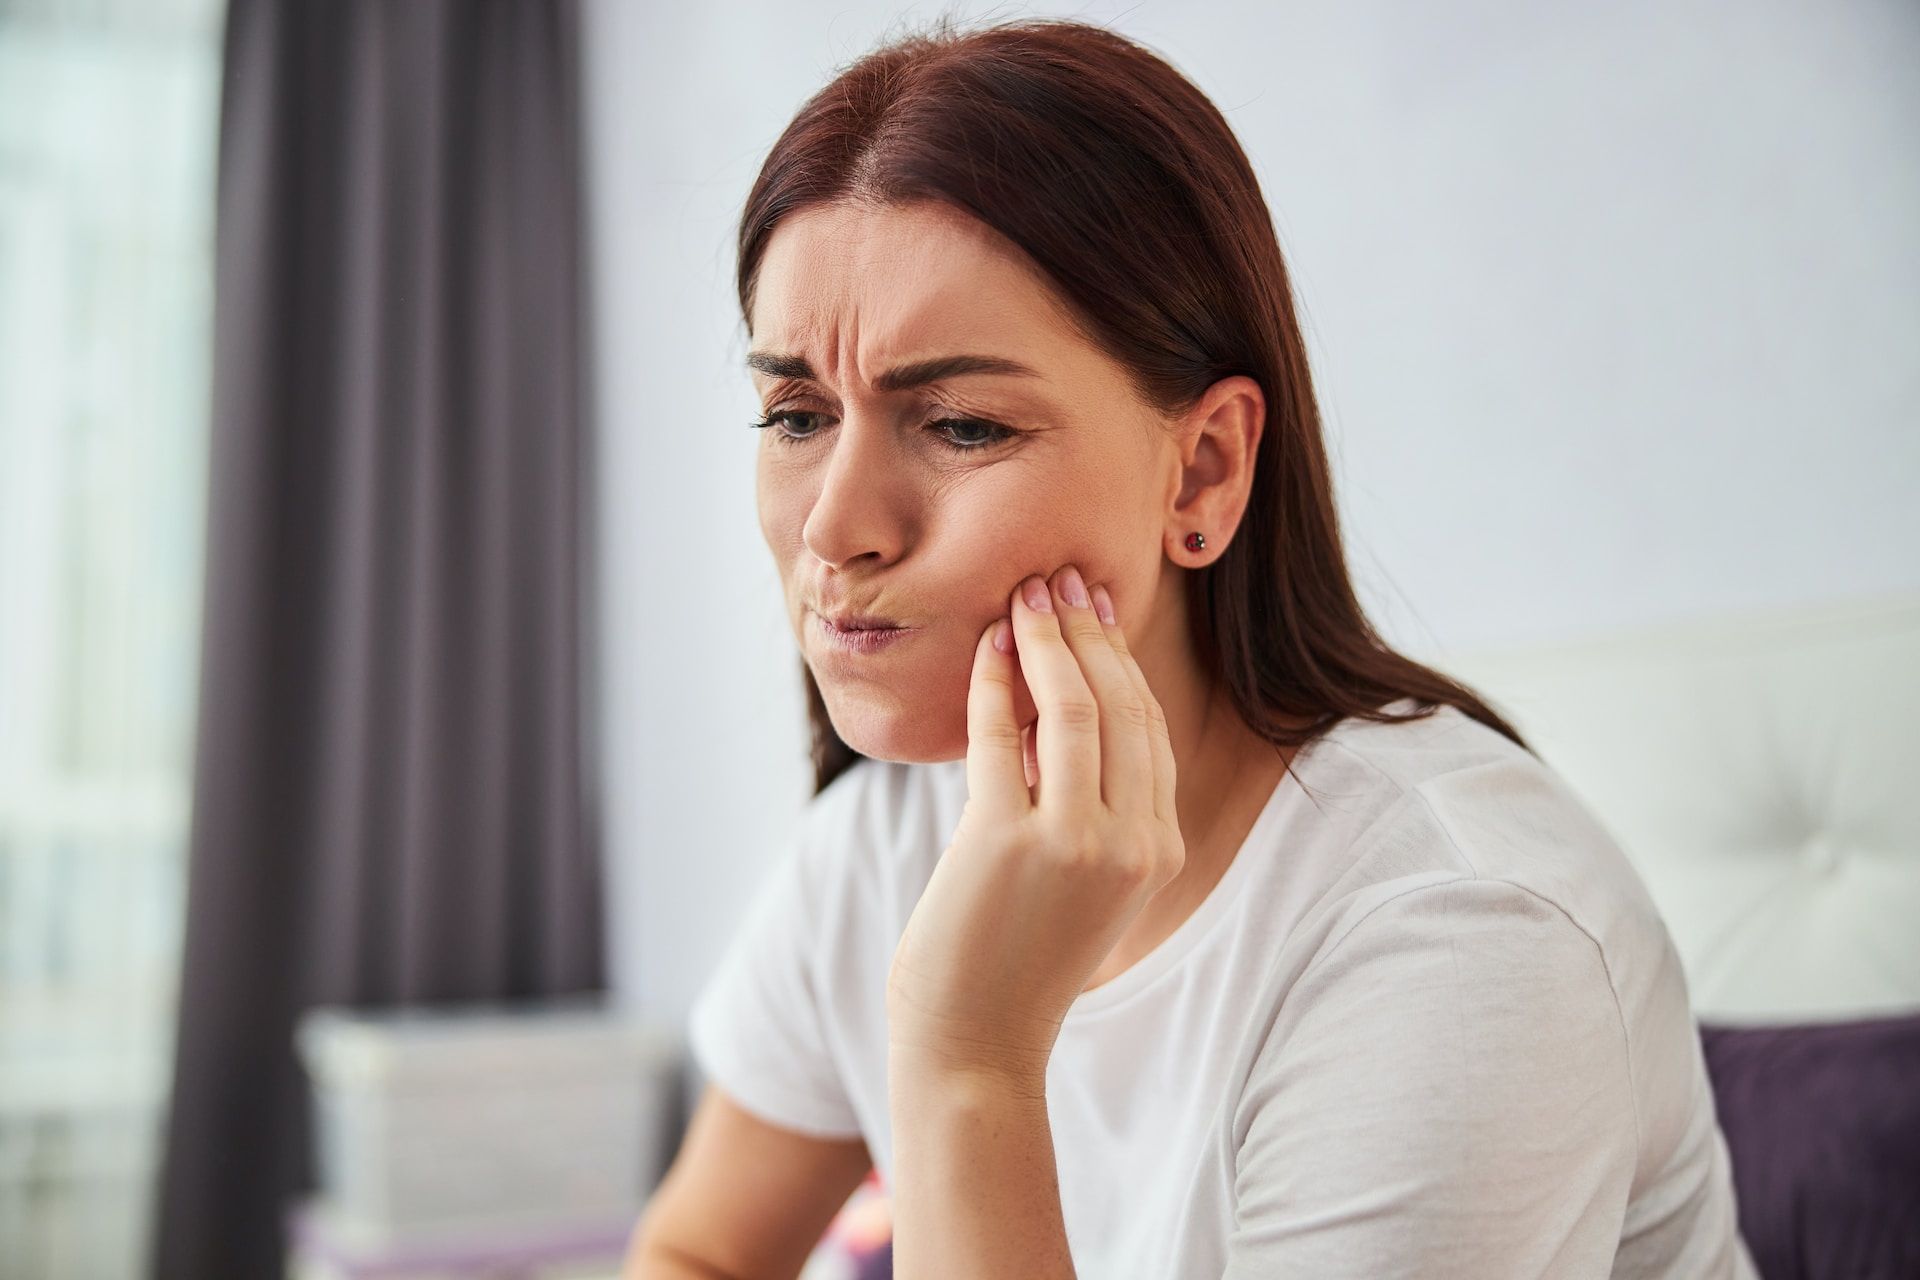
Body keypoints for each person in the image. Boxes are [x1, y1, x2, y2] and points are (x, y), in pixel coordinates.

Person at [624, 15, 1758, 1279]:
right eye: (795, 413)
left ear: (1203, 471)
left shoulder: (1458, 938)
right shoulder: (887, 840)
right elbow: (700, 1249)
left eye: (956, 424)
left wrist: (968, 1056)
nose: (835, 524)